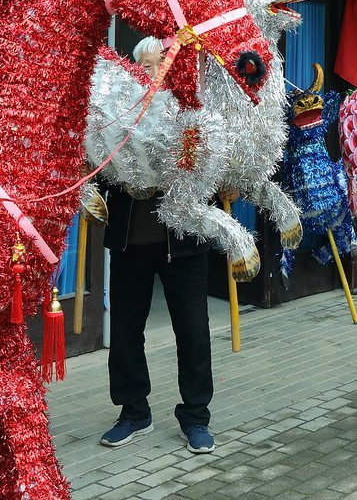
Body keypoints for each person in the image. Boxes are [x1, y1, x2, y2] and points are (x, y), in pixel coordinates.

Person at [100, 36, 217, 455]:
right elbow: (98, 166)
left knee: (193, 331)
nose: (151, 74)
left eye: (158, 65)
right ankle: (133, 411)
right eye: (144, 66)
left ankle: (196, 417)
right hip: (131, 240)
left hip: (183, 241)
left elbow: (211, 168)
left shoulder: (192, 113)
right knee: (127, 330)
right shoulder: (118, 113)